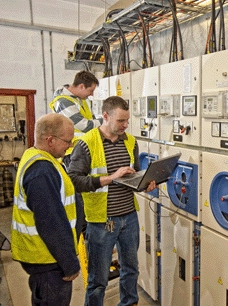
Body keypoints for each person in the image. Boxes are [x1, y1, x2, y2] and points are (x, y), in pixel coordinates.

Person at [68, 96, 156, 306]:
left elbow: (131, 174)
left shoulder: (131, 141)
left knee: (131, 269)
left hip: (129, 216)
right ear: (105, 117)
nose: (125, 125)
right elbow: (74, 181)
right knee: (98, 279)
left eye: (127, 121)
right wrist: (110, 177)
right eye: (120, 121)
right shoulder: (86, 143)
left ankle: (129, 303)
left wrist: (146, 182)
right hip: (101, 220)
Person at [11, 113, 80, 306]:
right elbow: (51, 223)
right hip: (47, 259)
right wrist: (69, 264)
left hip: (46, 257)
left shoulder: (38, 157)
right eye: (68, 141)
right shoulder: (41, 170)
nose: (70, 146)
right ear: (50, 140)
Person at [50, 70, 103, 165]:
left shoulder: (81, 100)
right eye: (90, 90)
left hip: (83, 148)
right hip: (71, 151)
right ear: (81, 86)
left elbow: (92, 120)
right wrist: (107, 120)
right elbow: (85, 126)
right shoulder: (63, 102)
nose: (92, 94)